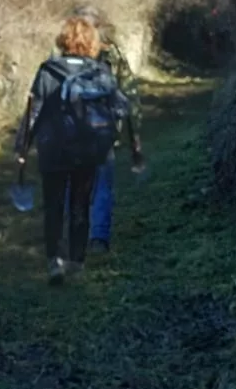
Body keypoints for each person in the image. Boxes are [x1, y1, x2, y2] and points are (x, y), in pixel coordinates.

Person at [15, 15, 144, 285]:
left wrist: (23, 147)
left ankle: (55, 262)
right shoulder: (100, 72)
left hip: (53, 148)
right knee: (80, 204)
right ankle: (77, 261)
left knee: (53, 204)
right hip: (88, 147)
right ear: (92, 43)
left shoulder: (47, 71)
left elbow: (33, 111)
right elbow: (122, 107)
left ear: (63, 40)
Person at [68, 6, 140, 255]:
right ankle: (98, 238)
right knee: (100, 185)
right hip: (102, 133)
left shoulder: (61, 56)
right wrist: (134, 138)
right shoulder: (112, 56)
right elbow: (129, 96)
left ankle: (80, 235)